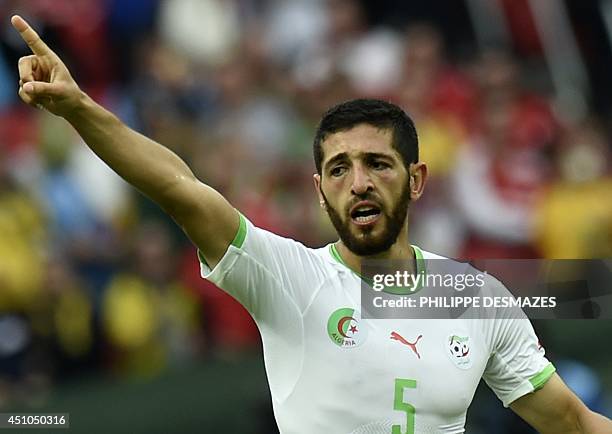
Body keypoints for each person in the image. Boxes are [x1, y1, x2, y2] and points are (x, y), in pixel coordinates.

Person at [11, 15, 612, 434]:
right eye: (339, 169)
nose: (359, 183)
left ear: (418, 180)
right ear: (320, 190)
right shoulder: (289, 278)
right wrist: (81, 108)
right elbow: (178, 186)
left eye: (378, 164)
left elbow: (572, 421)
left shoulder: (475, 298)